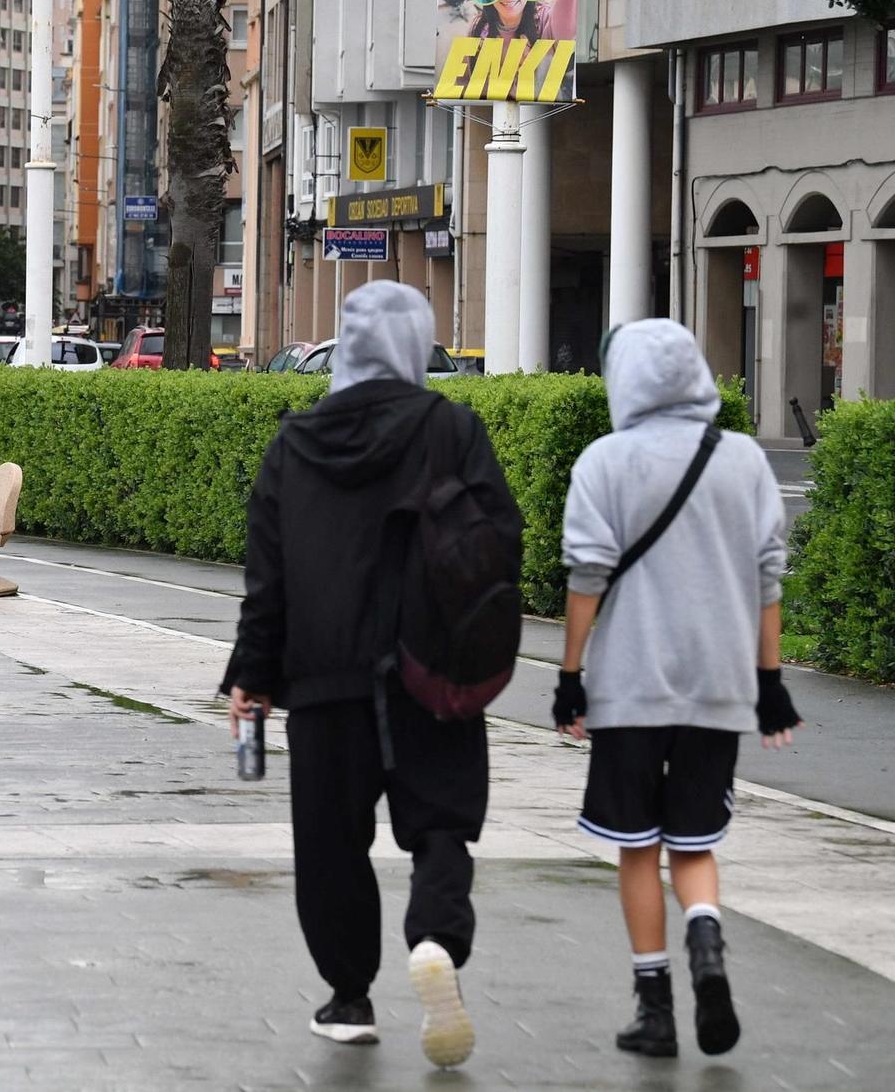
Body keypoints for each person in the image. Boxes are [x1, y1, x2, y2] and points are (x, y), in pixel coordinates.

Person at [222, 280, 520, 1070]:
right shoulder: (452, 428)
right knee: (444, 819)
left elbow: (269, 574)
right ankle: (436, 940)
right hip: (434, 670)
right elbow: (503, 539)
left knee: (331, 842)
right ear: (418, 341)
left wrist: (251, 673)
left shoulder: (296, 443)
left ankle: (349, 995)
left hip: (324, 674)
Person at [552, 319, 799, 1060]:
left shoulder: (603, 461)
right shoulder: (745, 460)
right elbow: (767, 577)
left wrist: (571, 676)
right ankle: (707, 934)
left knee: (637, 846)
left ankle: (654, 1008)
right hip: (718, 688)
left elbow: (588, 577)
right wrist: (771, 680)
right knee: (694, 840)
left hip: (630, 688)